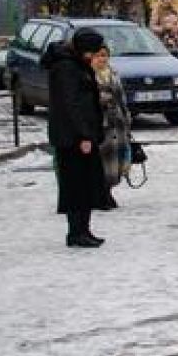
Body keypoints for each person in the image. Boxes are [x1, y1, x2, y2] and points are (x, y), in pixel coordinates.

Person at [42, 29, 113, 248]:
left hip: (82, 133)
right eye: (93, 51)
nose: (94, 56)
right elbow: (70, 104)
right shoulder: (66, 67)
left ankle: (84, 229)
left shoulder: (76, 63)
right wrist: (83, 135)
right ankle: (76, 232)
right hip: (72, 137)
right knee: (76, 185)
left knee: (86, 183)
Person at [95, 47, 130, 208]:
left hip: (118, 123)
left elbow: (122, 98)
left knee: (117, 161)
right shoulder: (89, 76)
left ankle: (108, 190)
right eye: (98, 56)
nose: (101, 59)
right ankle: (102, 193)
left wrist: (126, 118)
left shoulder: (113, 74)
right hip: (101, 124)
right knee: (103, 160)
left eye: (104, 55)